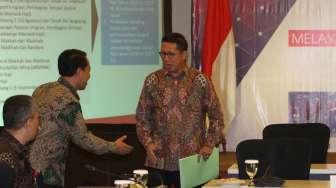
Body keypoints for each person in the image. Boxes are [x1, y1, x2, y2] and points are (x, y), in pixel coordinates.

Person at [29, 49, 133, 187]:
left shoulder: (42, 89)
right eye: (88, 70)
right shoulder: (67, 101)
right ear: (79, 71)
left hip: (28, 165)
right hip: (47, 171)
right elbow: (82, 138)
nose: (89, 76)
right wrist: (113, 147)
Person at [136, 33, 225, 187]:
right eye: (162, 54)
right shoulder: (152, 80)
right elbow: (142, 116)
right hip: (159, 160)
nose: (166, 58)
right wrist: (148, 143)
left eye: (171, 54)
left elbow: (216, 115)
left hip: (193, 161)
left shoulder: (200, 80)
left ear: (184, 55)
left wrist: (209, 144)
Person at [0, 95, 40, 188]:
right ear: (28, 123)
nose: (39, 125)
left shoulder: (17, 150)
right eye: (38, 118)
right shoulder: (5, 159)